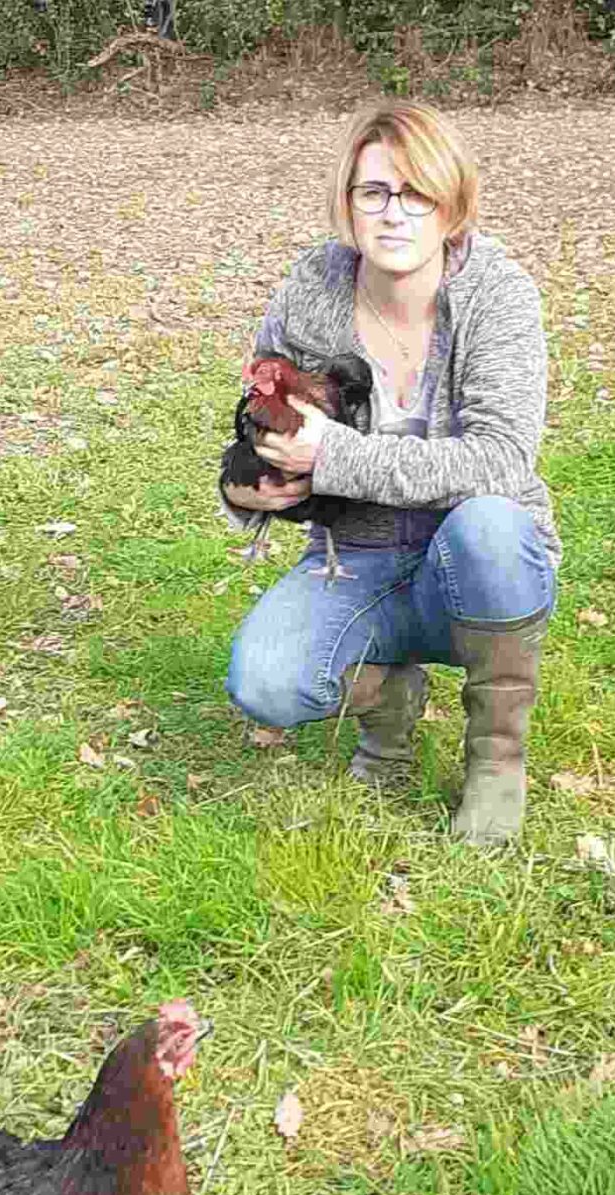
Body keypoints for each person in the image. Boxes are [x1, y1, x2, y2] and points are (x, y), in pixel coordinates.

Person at [222, 100, 559, 847]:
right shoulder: (310, 291)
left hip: (476, 568)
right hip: (356, 557)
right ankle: (390, 700)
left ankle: (496, 763)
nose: (393, 213)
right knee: (266, 682)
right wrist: (249, 490)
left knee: (492, 522)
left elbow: (501, 459)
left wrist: (335, 456)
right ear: (348, 202)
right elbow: (251, 416)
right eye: (373, 192)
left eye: (416, 194)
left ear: (451, 205)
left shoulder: (498, 296)